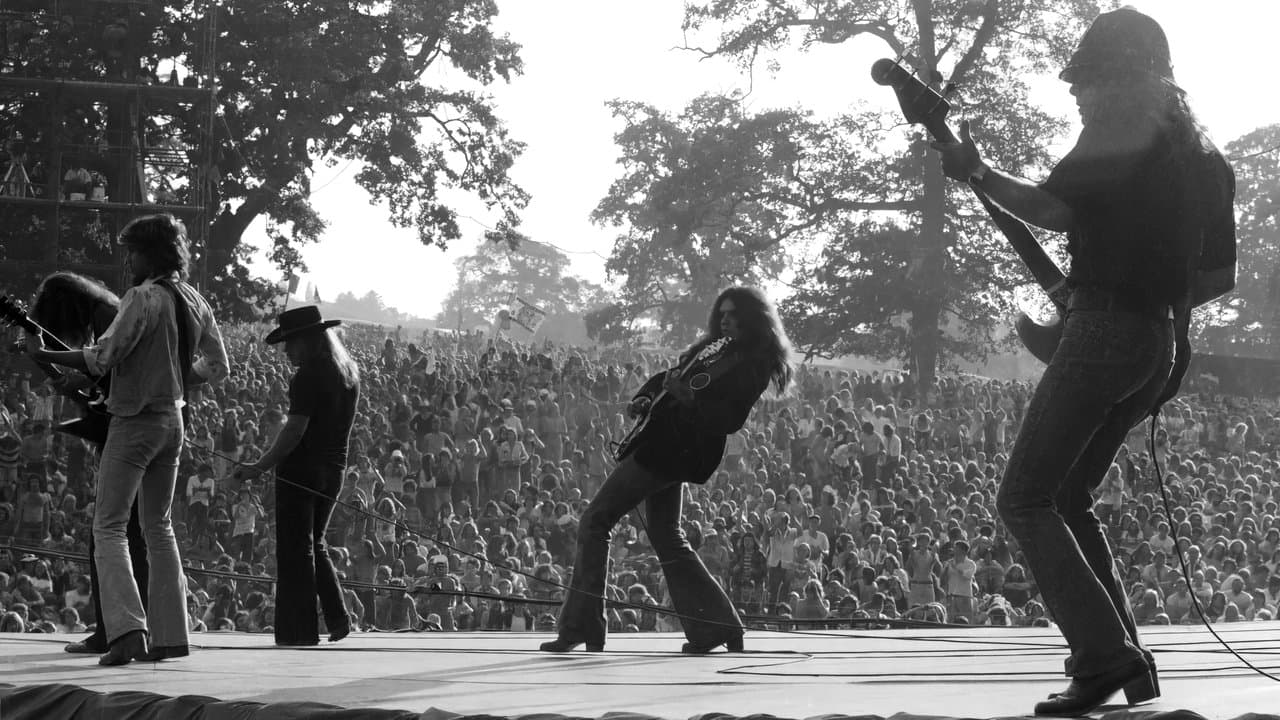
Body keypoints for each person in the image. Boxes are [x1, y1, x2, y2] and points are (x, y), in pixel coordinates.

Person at [929, 8, 1235, 716]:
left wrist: (976, 168)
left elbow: (1052, 208)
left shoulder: (1120, 126)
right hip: (1156, 344)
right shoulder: (1205, 155)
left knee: (1025, 498)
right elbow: (1216, 279)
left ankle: (1102, 657)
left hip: (1101, 332)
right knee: (1068, 498)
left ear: (1118, 76)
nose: (1075, 93)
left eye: (1085, 78)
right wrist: (1154, 287)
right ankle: (1131, 664)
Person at [540, 286, 792, 654]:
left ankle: (582, 625)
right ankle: (717, 626)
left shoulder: (752, 363)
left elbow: (730, 418)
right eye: (720, 314)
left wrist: (688, 399)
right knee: (665, 534)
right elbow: (671, 377)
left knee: (595, 521)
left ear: (751, 318)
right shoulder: (713, 349)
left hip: (673, 451)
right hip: (666, 446)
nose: (723, 320)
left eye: (731, 314)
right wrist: (648, 394)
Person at [27, 213, 229, 665]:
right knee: (159, 527)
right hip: (173, 424)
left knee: (110, 526)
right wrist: (175, 381)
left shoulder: (143, 298)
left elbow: (102, 357)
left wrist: (44, 353)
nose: (128, 263)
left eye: (132, 252)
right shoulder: (196, 300)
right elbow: (218, 367)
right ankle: (172, 636)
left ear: (149, 254)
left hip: (135, 423)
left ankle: (126, 634)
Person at [26, 271, 153, 656]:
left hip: (129, 434)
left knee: (109, 534)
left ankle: (116, 631)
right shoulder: (113, 313)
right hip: (143, 431)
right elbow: (104, 387)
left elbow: (105, 377)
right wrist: (69, 383)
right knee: (138, 535)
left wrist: (44, 355)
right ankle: (135, 627)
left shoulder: (106, 319)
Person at [233, 306, 359, 647]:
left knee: (294, 550)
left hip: (301, 471)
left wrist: (260, 465)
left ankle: (299, 631)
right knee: (315, 543)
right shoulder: (346, 372)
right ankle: (337, 616)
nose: (287, 351)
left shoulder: (307, 376)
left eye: (290, 343)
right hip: (333, 471)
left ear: (307, 340)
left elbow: (295, 431)